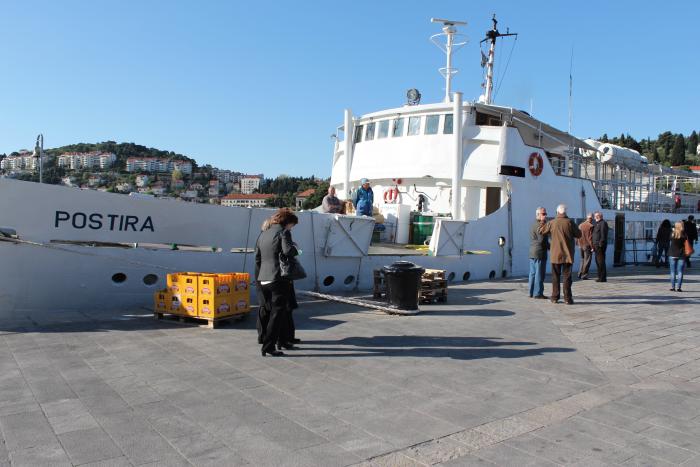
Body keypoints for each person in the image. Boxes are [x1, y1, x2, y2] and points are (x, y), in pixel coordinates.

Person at [254, 208, 299, 356]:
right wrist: (296, 249)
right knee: (278, 314)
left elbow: (257, 258)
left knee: (272, 312)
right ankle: (269, 346)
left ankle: (278, 341)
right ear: (288, 222)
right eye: (292, 225)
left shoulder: (263, 234)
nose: (292, 228)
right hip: (278, 278)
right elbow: (287, 251)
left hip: (264, 278)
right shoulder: (283, 232)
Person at [539, 204, 581, 304]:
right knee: (567, 277)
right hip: (567, 255)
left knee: (555, 276)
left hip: (555, 254)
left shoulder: (552, 222)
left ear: (557, 212)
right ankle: (567, 298)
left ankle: (554, 297)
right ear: (565, 212)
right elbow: (579, 234)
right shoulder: (570, 222)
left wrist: (542, 221)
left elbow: (541, 231)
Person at [528, 207, 549, 299]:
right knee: (539, 274)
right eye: (543, 214)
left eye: (545, 213)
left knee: (532, 273)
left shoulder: (533, 224)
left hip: (532, 252)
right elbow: (541, 240)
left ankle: (531, 292)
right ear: (538, 215)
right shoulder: (540, 225)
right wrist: (550, 247)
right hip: (539, 253)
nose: (545, 215)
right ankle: (538, 293)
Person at [668, 221, 687, 292]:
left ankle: (673, 287)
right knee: (680, 272)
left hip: (672, 254)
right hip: (681, 254)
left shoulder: (672, 234)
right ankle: (679, 288)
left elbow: (670, 239)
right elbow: (686, 241)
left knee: (672, 271)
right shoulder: (684, 234)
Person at [592, 211, 609, 282]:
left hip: (600, 246)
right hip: (596, 245)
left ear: (599, 216)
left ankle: (602, 277)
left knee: (601, 262)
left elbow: (603, 235)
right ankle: (600, 276)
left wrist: (600, 244)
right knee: (598, 261)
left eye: (596, 216)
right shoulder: (597, 224)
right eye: (595, 216)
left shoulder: (603, 223)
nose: (595, 217)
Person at [577, 213, 594, 279]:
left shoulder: (580, 225)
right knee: (587, 260)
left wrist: (578, 244)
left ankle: (580, 273)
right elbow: (590, 238)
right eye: (591, 218)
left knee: (582, 259)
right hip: (587, 245)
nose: (592, 219)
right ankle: (584, 275)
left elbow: (578, 236)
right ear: (590, 218)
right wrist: (592, 247)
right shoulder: (591, 226)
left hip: (581, 245)